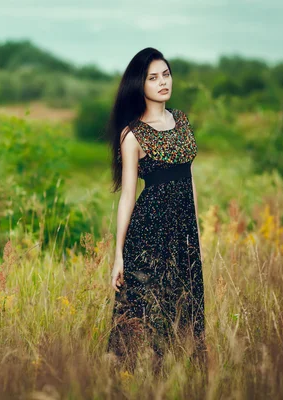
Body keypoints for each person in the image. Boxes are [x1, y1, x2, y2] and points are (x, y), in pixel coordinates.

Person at [105, 47, 207, 374]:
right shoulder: (133, 135)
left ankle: (180, 377)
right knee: (144, 310)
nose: (162, 82)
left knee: (185, 306)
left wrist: (196, 234)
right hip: (149, 233)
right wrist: (119, 254)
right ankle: (127, 380)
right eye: (153, 78)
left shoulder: (182, 121)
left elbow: (188, 179)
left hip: (183, 231)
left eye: (166, 74)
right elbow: (127, 197)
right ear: (141, 85)